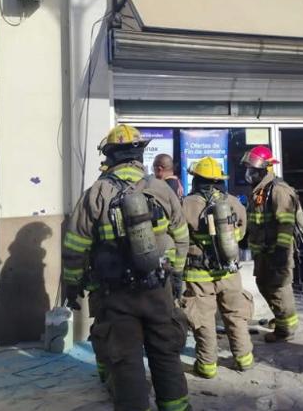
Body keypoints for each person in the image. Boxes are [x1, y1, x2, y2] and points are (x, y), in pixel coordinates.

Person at [62, 124, 191, 411]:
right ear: (140, 155)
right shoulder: (161, 189)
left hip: (116, 293)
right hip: (158, 288)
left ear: (109, 156)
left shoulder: (96, 193)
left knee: (126, 358)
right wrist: (176, 275)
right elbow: (182, 237)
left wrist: (72, 284)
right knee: (165, 352)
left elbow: (75, 245)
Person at [181, 156, 254, 379]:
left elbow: (179, 239)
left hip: (199, 274)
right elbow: (241, 233)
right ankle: (244, 359)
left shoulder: (186, 204)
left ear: (196, 179)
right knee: (235, 315)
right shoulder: (234, 202)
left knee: (203, 319)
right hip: (229, 271)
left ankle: (207, 365)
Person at [241, 146, 303, 343]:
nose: (249, 174)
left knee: (279, 289)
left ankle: (285, 330)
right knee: (264, 284)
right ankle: (282, 318)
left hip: (277, 251)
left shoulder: (279, 190)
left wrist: (281, 251)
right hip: (264, 251)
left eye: (253, 170)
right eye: (248, 169)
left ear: (266, 169)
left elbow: (286, 223)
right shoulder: (261, 190)